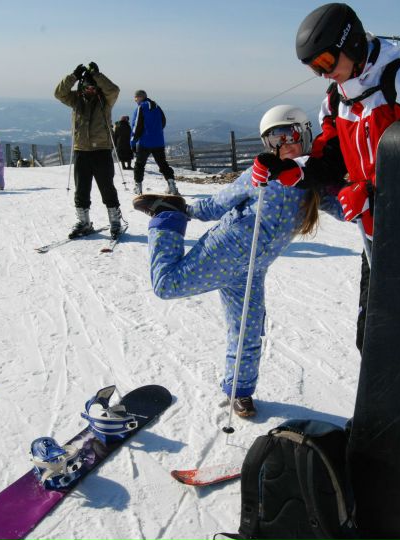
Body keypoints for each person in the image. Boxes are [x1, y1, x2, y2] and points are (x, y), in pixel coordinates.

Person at [257, 3, 400, 440]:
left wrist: (374, 189)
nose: (323, 73)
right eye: (314, 68)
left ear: (350, 43)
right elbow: (330, 158)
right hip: (378, 229)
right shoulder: (336, 98)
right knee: (373, 330)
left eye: (326, 61)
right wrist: (292, 170)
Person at [132, 105, 343, 417]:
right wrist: (186, 211)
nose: (283, 144)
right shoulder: (260, 175)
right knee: (166, 286)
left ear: (305, 133)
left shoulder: (313, 183)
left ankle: (239, 391)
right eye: (274, 139)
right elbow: (220, 203)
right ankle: (166, 217)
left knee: (247, 331)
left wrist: (370, 203)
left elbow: (345, 208)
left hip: (253, 270)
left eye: (290, 134)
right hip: (224, 250)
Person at [55, 62, 125, 240]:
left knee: (107, 188)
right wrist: (73, 76)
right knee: (81, 189)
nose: (91, 90)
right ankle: (83, 221)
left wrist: (97, 75)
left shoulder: (105, 100)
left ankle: (115, 221)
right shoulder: (75, 99)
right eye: (87, 87)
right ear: (82, 88)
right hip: (81, 150)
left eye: (93, 87)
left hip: (101, 150)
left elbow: (114, 90)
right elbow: (59, 93)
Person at [130, 90, 179, 196]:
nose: (135, 100)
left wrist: (133, 143)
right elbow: (163, 122)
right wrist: (156, 132)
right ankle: (172, 185)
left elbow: (136, 126)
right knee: (163, 164)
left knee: (139, 165)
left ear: (140, 97)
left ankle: (138, 187)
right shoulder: (157, 106)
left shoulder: (141, 107)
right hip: (158, 142)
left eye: (136, 97)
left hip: (144, 142)